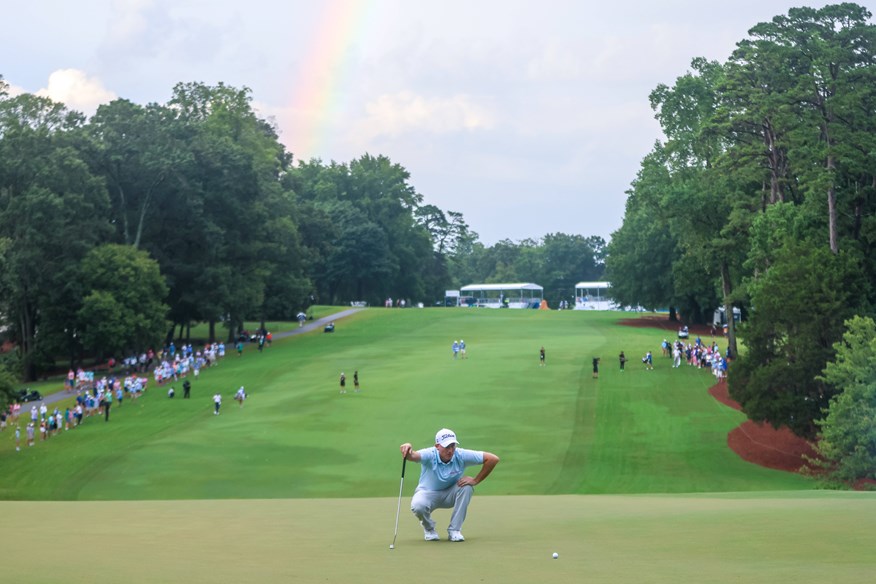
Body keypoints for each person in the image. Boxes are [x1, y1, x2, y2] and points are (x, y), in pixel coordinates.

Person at [399, 429, 499, 542]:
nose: (450, 450)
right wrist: (408, 448)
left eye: (453, 446)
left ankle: (454, 530)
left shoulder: (461, 455)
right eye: (447, 447)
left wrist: (476, 480)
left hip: (450, 495)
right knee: (418, 505)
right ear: (437, 446)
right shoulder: (429, 454)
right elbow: (412, 456)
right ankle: (429, 529)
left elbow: (492, 459)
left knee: (467, 487)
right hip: (428, 495)